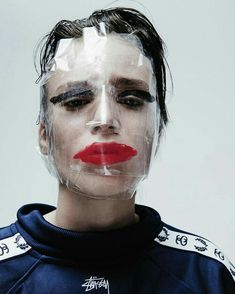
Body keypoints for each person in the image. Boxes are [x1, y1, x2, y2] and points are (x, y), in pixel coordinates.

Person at [0, 7, 234, 294]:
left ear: (157, 128)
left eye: (132, 99)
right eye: (75, 100)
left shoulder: (207, 276)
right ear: (44, 133)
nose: (105, 120)